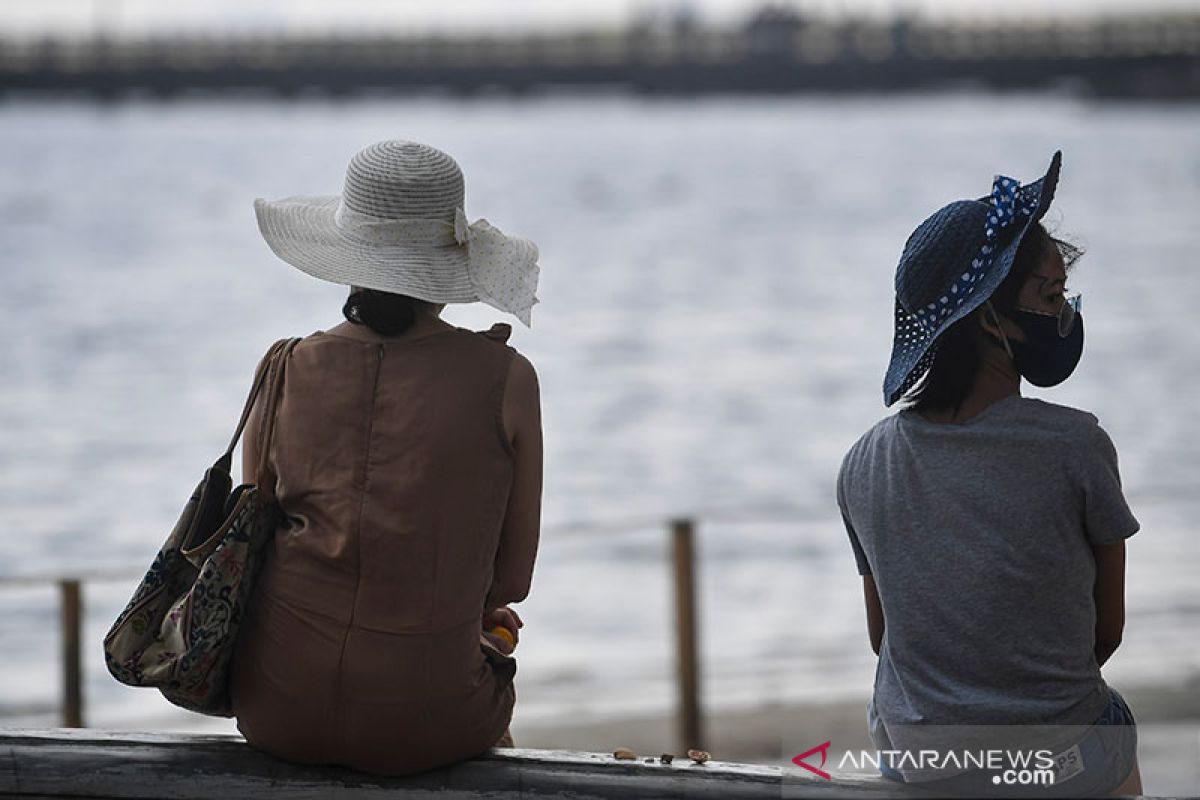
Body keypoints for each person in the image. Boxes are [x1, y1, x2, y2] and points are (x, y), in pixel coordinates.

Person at [228, 140, 543, 776]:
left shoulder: (284, 367)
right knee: (489, 687)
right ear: (448, 265)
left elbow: (253, 537)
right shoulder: (507, 379)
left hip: (274, 707)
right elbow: (511, 582)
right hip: (427, 722)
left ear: (349, 257)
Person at [837, 151, 1142, 797]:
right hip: (1055, 760)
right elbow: (1103, 635)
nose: (1065, 313)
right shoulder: (1076, 444)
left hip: (913, 758)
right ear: (990, 319)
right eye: (1052, 297)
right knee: (1109, 721)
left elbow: (884, 637)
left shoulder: (864, 461)